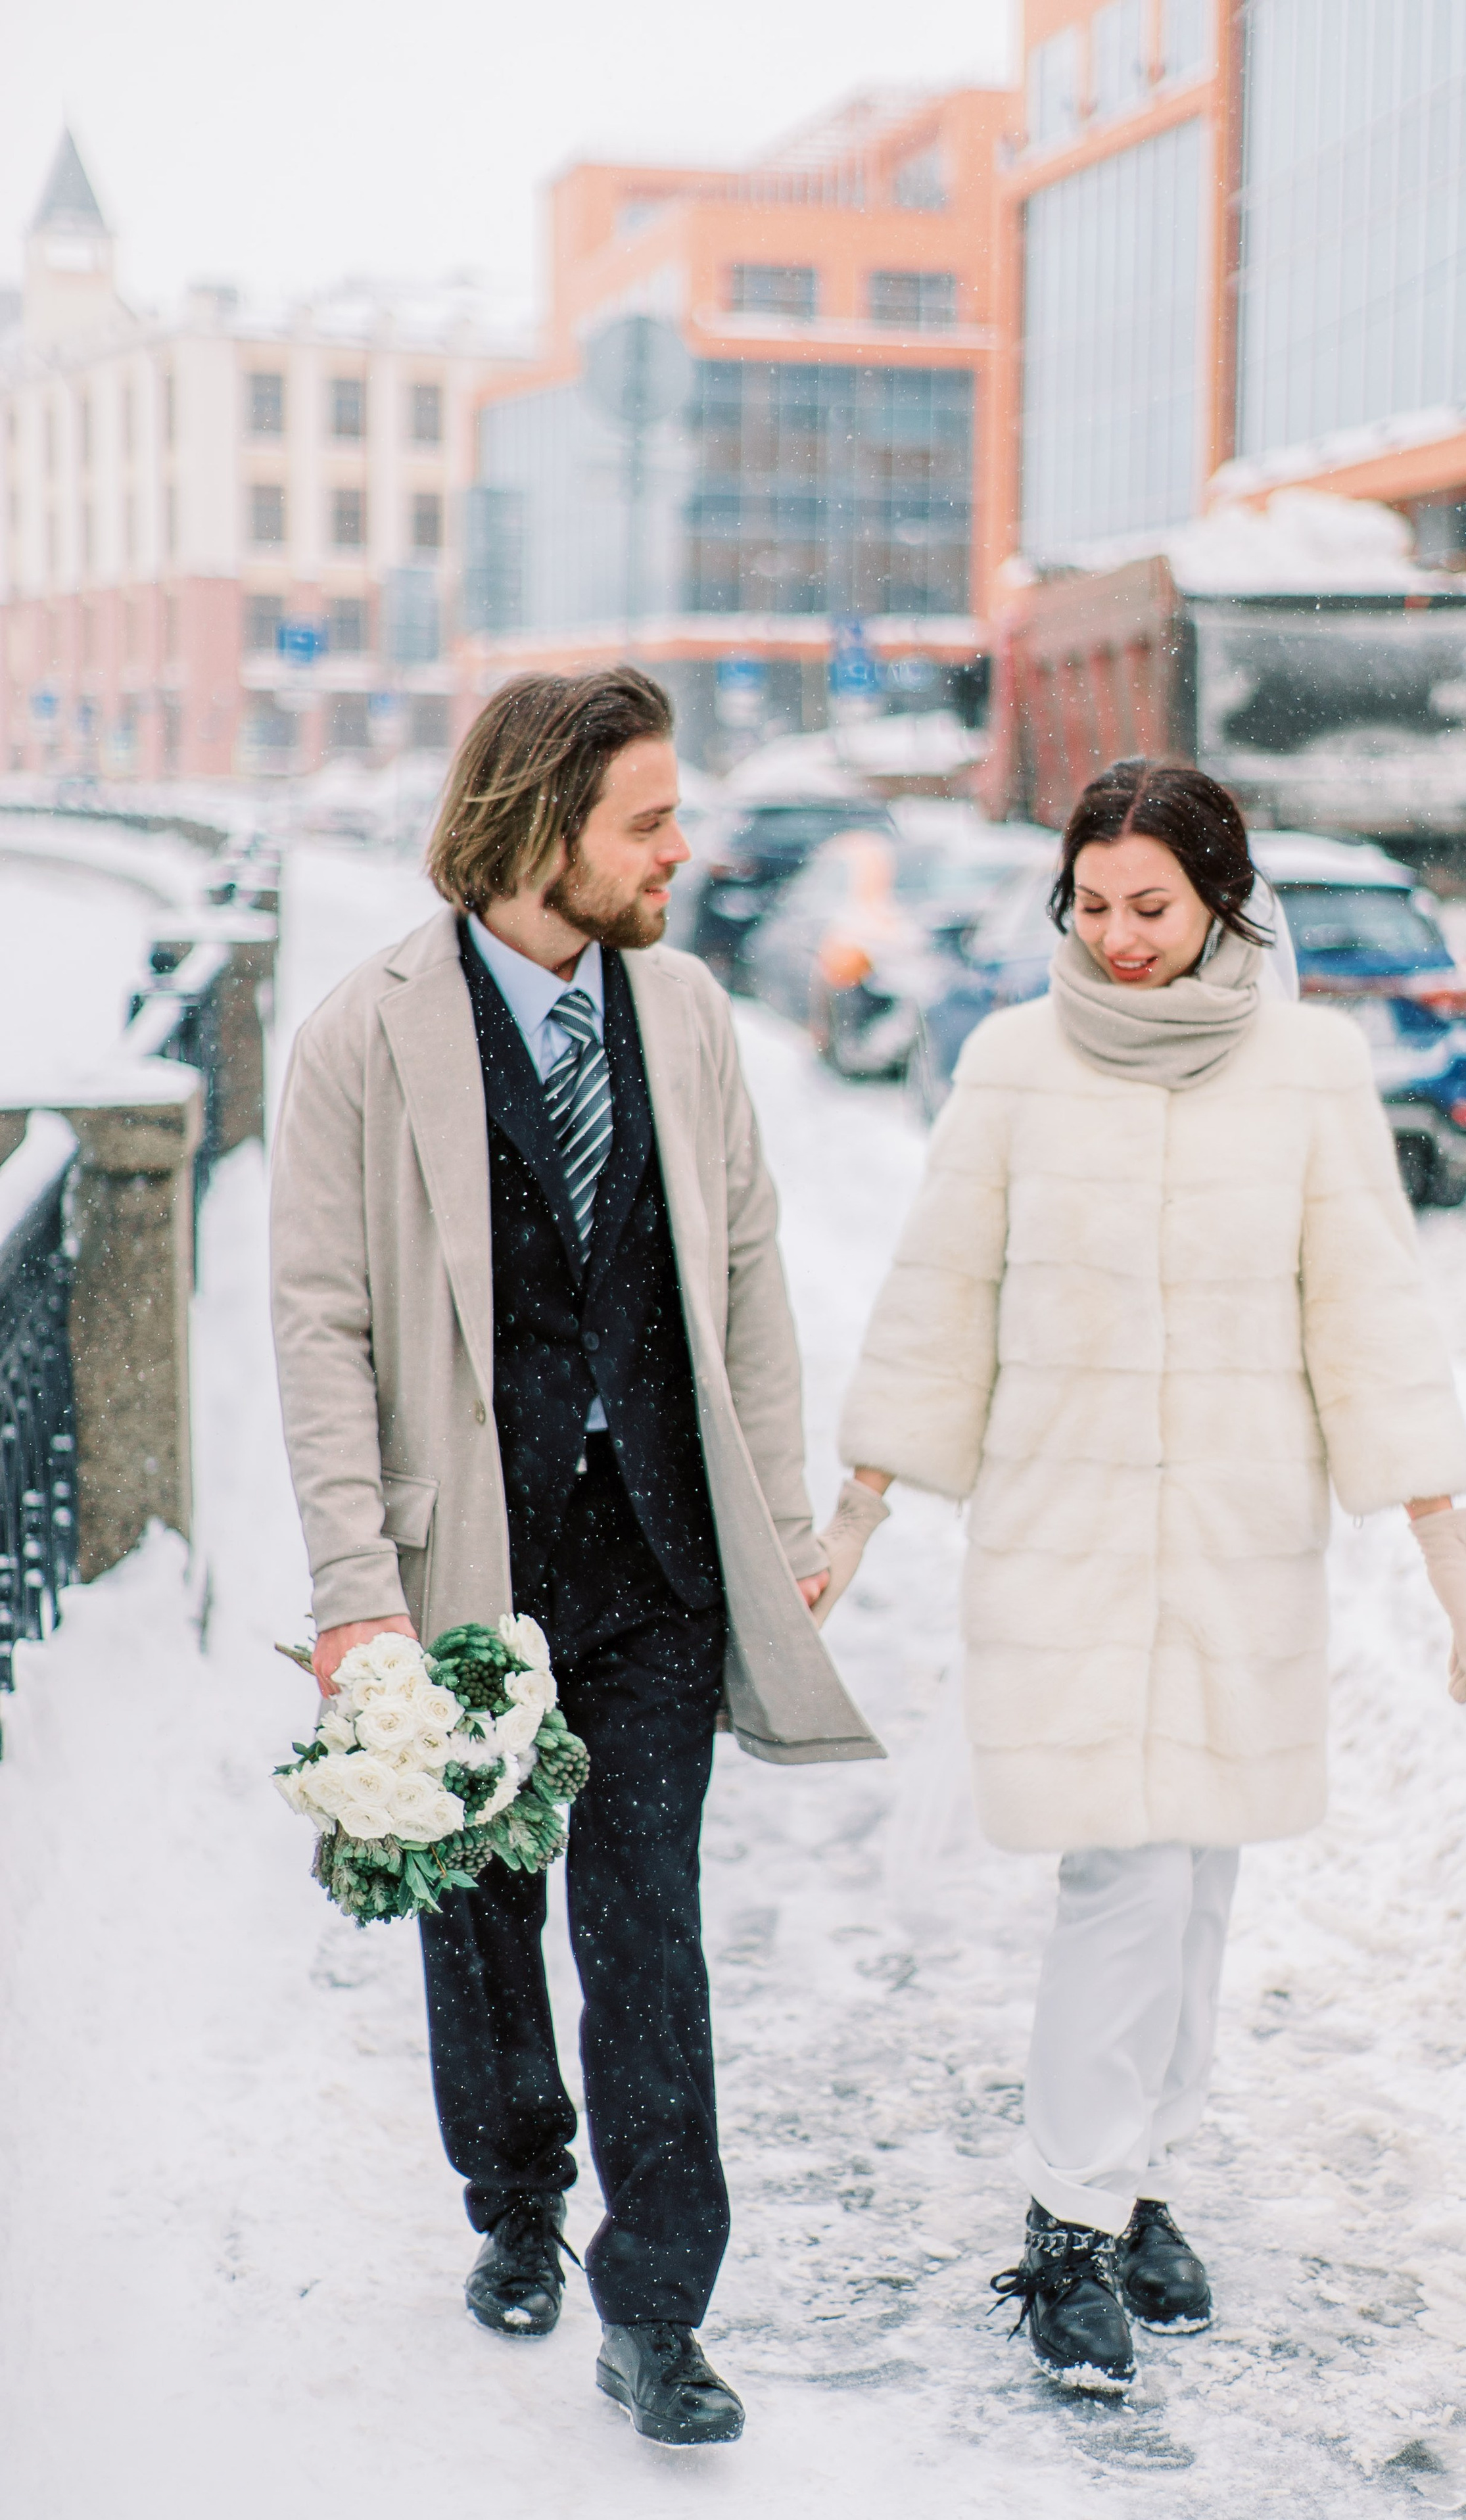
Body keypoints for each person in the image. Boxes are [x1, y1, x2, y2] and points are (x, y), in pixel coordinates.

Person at [270, 668, 886, 2448]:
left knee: (650, 1929)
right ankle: (519, 2196)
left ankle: (661, 2298)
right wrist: (355, 1595)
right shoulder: (363, 1035)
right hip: (468, 1551)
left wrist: (773, 1519)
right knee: (480, 1915)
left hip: (657, 1565)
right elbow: (319, 1324)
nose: (681, 850)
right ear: (546, 827)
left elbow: (749, 1275)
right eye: (649, 821)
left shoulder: (685, 1013)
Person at [836, 759, 1466, 2387]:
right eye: (1090, 904)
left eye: (1151, 907)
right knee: (1119, 1875)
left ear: (1219, 900)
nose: (1118, 938)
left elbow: (1368, 1307)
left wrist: (1442, 1542)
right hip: (1060, 1535)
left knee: (1197, 1881)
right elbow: (941, 1299)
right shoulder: (1008, 1065)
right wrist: (854, 1510)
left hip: (1233, 1538)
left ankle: (1137, 2178)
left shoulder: (1309, 1071)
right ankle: (1060, 2227)